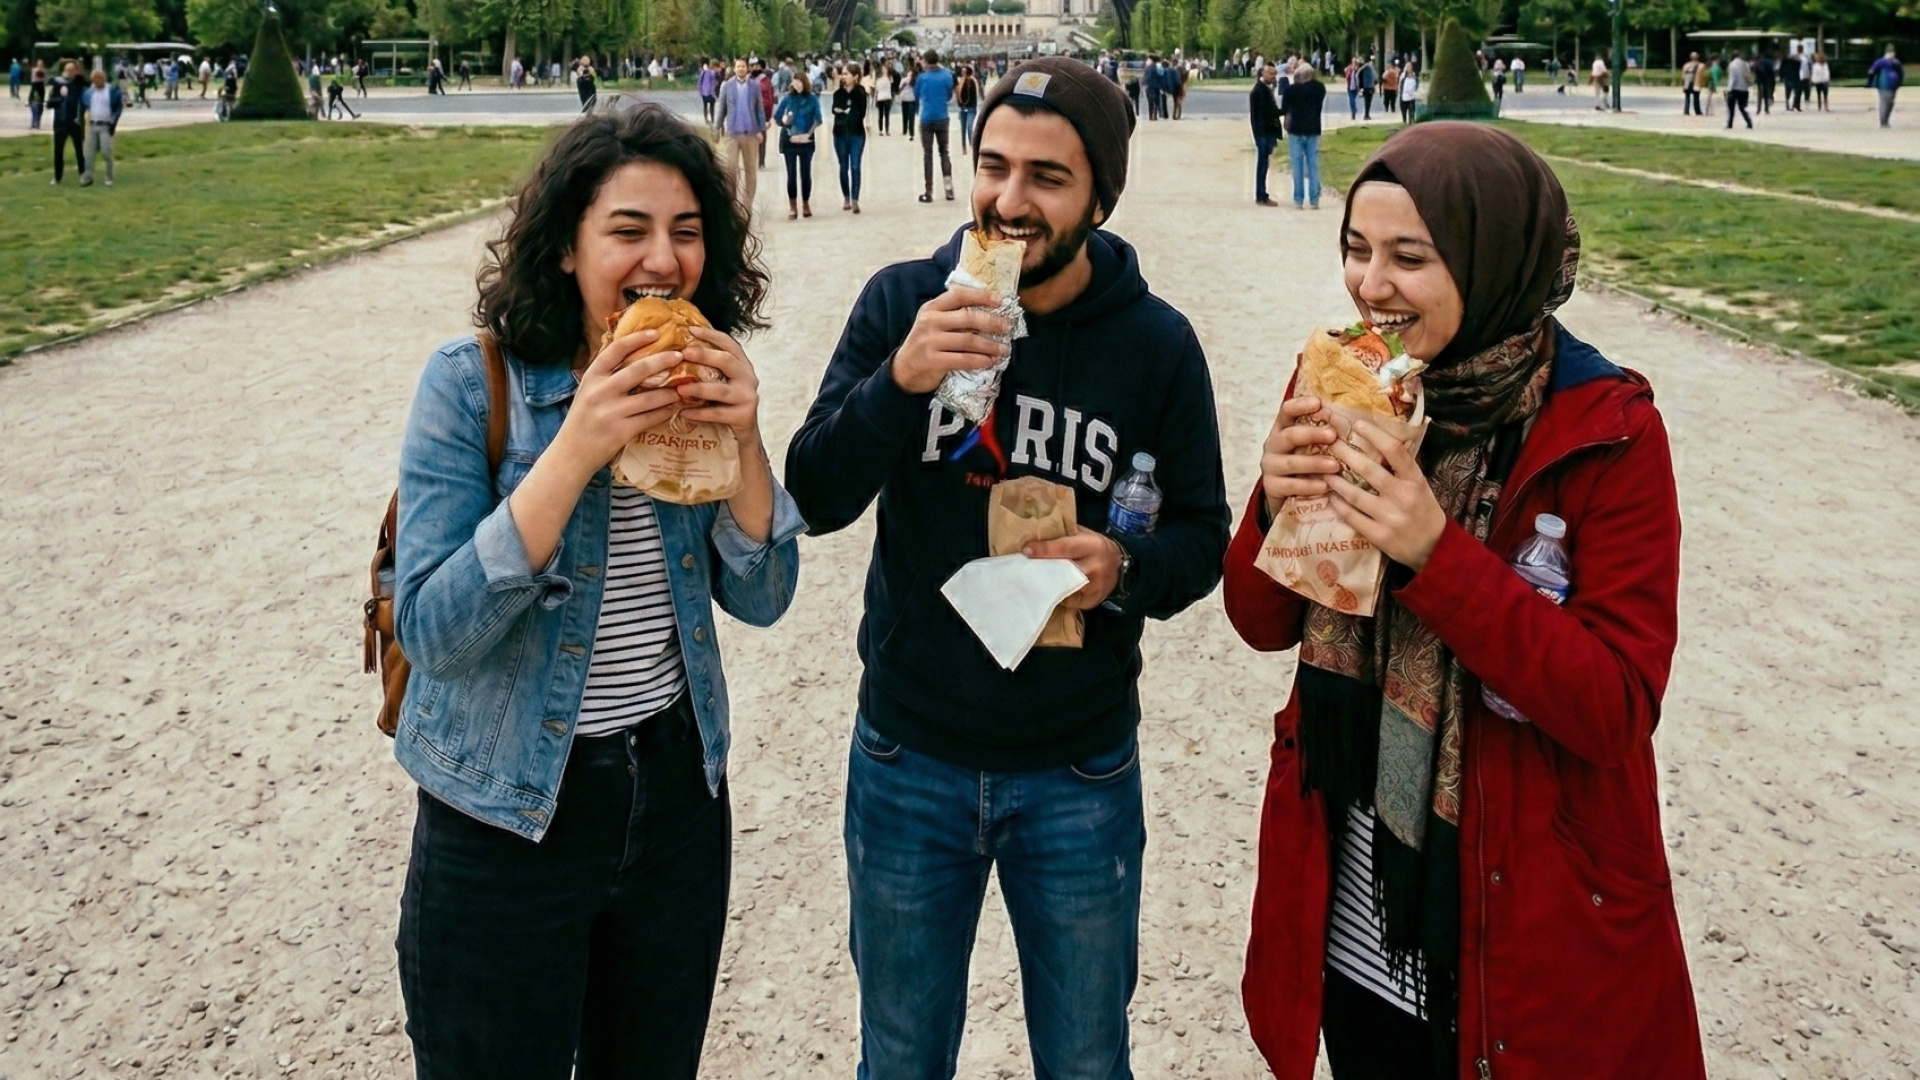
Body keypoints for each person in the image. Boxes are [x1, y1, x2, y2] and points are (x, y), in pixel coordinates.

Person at [1229, 121, 1704, 1080]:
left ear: (1494, 262)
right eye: (1356, 250)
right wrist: (1272, 502)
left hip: (1519, 921)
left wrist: (1435, 554)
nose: (1369, 286)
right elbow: (1262, 620)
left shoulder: (1607, 433)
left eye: (1410, 257)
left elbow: (1612, 707)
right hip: (1361, 913)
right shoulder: (1347, 379)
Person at [786, 56, 1226, 1080]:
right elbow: (813, 493)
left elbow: (1204, 533)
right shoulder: (906, 300)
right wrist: (901, 379)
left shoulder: (1157, 346)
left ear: (1102, 197)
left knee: (1084, 1057)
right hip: (910, 752)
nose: (1009, 201)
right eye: (993, 167)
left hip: (1078, 764)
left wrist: (1124, 565)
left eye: (1048, 177)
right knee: (899, 1055)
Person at [393, 102, 800, 1080]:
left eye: (687, 231)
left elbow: (766, 593)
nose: (662, 259)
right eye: (628, 230)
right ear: (568, 248)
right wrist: (577, 444)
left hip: (673, 799)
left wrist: (743, 438)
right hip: (505, 816)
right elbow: (434, 632)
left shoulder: (699, 379)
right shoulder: (468, 382)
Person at [715, 59, 766, 212]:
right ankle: (731, 204)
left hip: (750, 133)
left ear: (747, 69)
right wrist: (716, 127)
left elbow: (759, 109)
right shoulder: (727, 86)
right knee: (731, 170)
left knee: (751, 170)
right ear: (734, 69)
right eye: (738, 67)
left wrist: (761, 129)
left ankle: (747, 204)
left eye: (743, 66)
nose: (741, 69)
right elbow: (722, 108)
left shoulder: (754, 86)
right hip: (733, 134)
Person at [774, 71, 820, 219]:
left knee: (805, 174)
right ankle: (792, 206)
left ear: (804, 82)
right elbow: (777, 117)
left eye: (799, 81)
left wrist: (809, 133)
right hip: (790, 140)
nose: (797, 84)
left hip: (806, 140)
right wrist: (784, 121)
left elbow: (818, 118)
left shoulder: (812, 99)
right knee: (791, 174)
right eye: (794, 82)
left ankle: (806, 203)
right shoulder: (788, 99)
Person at [1282, 63, 1326, 209]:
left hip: (1295, 129)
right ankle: (1315, 199)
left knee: (1297, 165)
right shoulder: (1319, 89)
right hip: (1313, 129)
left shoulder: (1290, 90)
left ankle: (1298, 199)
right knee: (1313, 164)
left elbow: (1284, 109)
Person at [915, 50, 955, 204]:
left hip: (927, 118)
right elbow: (949, 95)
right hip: (942, 117)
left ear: (925, 61)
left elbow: (916, 94)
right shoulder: (947, 75)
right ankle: (948, 188)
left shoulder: (922, 78)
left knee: (928, 154)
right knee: (944, 152)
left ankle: (929, 190)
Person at [831, 64, 868, 213]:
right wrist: (845, 113)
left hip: (856, 133)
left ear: (855, 76)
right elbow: (835, 109)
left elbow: (860, 113)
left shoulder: (860, 93)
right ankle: (846, 196)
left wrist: (845, 113)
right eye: (843, 74)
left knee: (855, 166)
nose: (843, 76)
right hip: (840, 134)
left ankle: (855, 198)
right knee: (843, 166)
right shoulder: (838, 94)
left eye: (847, 74)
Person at [79, 69, 122, 187]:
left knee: (106, 152)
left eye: (100, 78)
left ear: (104, 78)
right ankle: (88, 177)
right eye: (95, 78)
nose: (97, 81)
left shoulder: (111, 91)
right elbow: (83, 106)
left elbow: (118, 107)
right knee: (88, 153)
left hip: (105, 125)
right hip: (92, 125)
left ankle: (109, 176)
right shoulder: (88, 92)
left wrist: (113, 121)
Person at [1251, 64, 1285, 207]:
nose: (1274, 77)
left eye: (1275, 74)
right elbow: (1267, 113)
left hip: (1265, 132)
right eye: (1271, 74)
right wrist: (1285, 110)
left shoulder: (1265, 89)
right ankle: (1261, 195)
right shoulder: (1260, 91)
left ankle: (1261, 194)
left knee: (1264, 163)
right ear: (1263, 74)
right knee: (1262, 164)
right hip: (1263, 132)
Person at [46, 61, 85, 186]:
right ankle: (57, 177)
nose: (69, 72)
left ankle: (83, 175)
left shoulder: (79, 83)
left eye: (72, 70)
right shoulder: (57, 83)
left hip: (74, 121)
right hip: (60, 122)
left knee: (79, 150)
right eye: (67, 70)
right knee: (58, 151)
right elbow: (49, 103)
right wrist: (61, 98)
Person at [1870, 45, 1904, 128]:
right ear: (1886, 53)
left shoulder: (1896, 63)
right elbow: (1872, 71)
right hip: (1883, 85)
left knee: (1890, 103)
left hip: (1893, 86)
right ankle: (1883, 121)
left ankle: (1886, 119)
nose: (1891, 54)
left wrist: (1899, 82)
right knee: (1884, 102)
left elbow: (1901, 73)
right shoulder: (1880, 62)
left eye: (1892, 52)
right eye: (1890, 52)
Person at [955, 64, 980, 156]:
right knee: (963, 128)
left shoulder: (973, 81)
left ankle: (971, 145)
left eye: (965, 72)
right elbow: (957, 93)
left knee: (970, 126)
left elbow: (976, 93)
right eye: (962, 72)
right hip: (962, 107)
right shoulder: (960, 81)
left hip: (971, 107)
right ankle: (963, 146)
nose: (963, 74)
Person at [1726, 50, 1753, 129]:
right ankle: (1749, 122)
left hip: (1734, 89)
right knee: (1742, 107)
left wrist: (1729, 89)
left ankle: (1730, 124)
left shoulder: (1732, 64)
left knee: (1731, 108)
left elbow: (1732, 78)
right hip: (1744, 89)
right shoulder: (1745, 64)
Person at [874, 62, 895, 135]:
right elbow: (877, 88)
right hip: (880, 98)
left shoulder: (890, 78)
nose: (884, 70)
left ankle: (887, 130)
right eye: (883, 69)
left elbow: (892, 86)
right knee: (880, 114)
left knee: (887, 115)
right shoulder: (878, 79)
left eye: (885, 69)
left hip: (888, 97)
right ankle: (880, 130)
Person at [698, 58, 720, 124]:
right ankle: (712, 119)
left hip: (705, 92)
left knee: (705, 106)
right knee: (711, 107)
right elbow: (714, 84)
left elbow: (700, 81)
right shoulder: (712, 73)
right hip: (710, 93)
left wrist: (700, 90)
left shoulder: (704, 71)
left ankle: (706, 119)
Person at [899, 63, 917, 139]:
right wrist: (904, 84)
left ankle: (911, 132)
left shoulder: (915, 81)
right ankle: (904, 129)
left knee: (911, 116)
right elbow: (899, 88)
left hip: (912, 100)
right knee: (905, 115)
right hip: (905, 99)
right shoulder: (903, 80)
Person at [27, 60, 46, 130]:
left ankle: (37, 122)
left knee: (39, 106)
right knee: (34, 105)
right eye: (38, 64)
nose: (40, 66)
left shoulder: (43, 71)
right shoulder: (34, 70)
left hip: (40, 87)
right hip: (35, 87)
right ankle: (34, 122)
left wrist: (41, 69)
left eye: (41, 64)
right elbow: (38, 73)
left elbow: (41, 75)